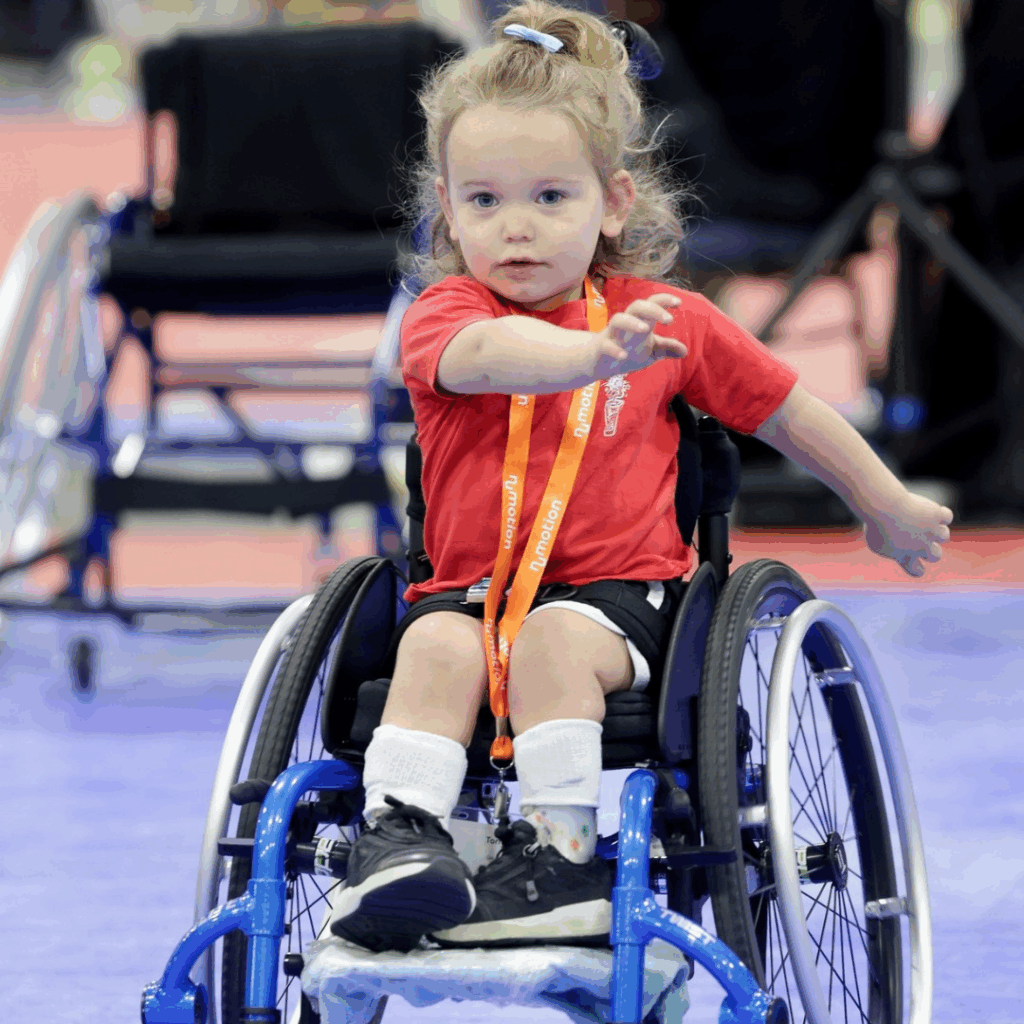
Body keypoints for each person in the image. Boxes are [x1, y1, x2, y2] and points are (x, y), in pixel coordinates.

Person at [328, 0, 953, 954]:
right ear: (447, 209)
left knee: (552, 643)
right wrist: (584, 361)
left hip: (617, 605)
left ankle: (561, 858)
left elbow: (787, 409)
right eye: (484, 201)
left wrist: (881, 501)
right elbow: (493, 354)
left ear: (612, 201)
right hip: (467, 591)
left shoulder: (668, 319)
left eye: (550, 197)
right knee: (431, 653)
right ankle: (403, 844)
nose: (517, 228)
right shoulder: (442, 313)